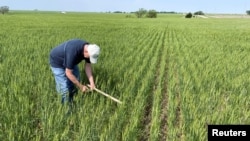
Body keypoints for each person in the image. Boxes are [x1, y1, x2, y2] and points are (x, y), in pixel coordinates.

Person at [49, 39, 100, 104]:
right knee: (64, 89)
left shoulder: (91, 50)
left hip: (71, 61)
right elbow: (68, 73)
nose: (89, 58)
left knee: (75, 80)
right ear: (86, 51)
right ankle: (65, 108)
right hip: (57, 61)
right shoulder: (73, 51)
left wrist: (92, 83)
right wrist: (81, 86)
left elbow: (88, 66)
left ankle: (72, 99)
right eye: (89, 57)